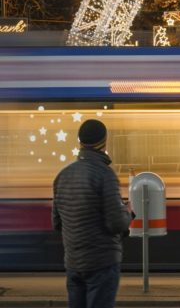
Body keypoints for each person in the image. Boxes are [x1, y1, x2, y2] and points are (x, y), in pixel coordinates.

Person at [52, 119, 133, 308]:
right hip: (101, 263)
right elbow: (116, 224)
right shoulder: (105, 175)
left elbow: (56, 223)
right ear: (104, 141)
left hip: (73, 263)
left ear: (79, 141)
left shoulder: (62, 176)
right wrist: (128, 212)